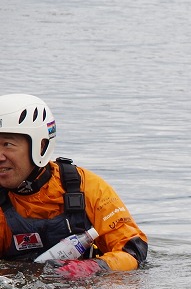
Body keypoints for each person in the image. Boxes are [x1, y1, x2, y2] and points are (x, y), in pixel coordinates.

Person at [0, 94, 148, 278]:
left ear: (41, 145)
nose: (0, 156)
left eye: (8, 144)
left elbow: (133, 251)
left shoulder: (88, 188)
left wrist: (94, 267)